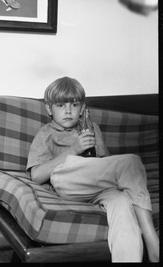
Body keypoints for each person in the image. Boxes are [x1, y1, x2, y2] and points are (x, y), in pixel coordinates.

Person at [26, 76, 159, 262]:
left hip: (99, 187)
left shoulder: (91, 128)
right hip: (67, 182)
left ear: (82, 108)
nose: (68, 111)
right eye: (60, 105)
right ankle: (153, 242)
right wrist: (74, 150)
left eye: (74, 105)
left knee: (123, 203)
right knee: (132, 162)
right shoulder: (46, 134)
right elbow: (37, 175)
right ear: (49, 109)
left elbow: (103, 165)